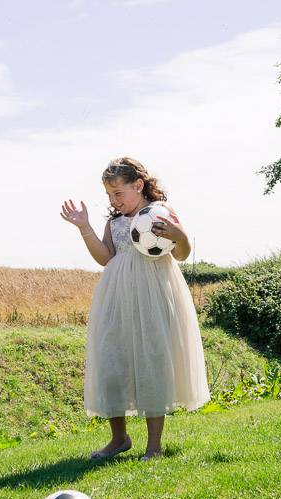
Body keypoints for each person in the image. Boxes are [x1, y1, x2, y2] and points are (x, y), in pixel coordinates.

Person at [60, 157, 210, 460]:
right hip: (117, 297)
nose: (114, 201)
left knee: (153, 361)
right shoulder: (113, 223)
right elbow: (105, 257)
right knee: (113, 359)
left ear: (138, 185)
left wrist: (180, 235)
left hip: (153, 296)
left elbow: (180, 254)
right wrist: (84, 226)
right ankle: (119, 439)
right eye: (109, 195)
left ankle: (153, 446)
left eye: (119, 193)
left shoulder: (160, 215)